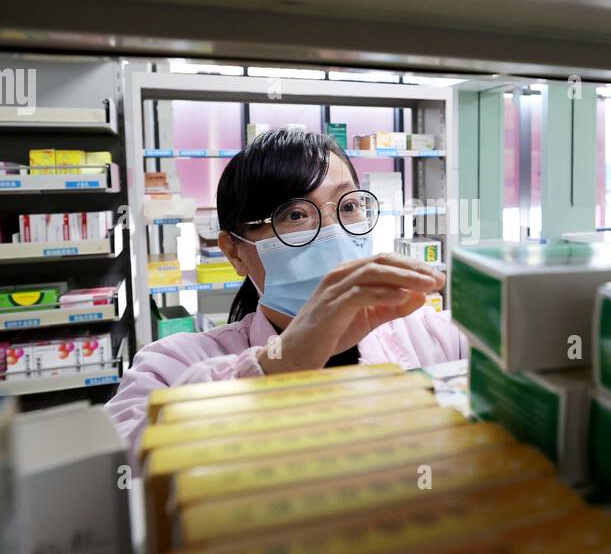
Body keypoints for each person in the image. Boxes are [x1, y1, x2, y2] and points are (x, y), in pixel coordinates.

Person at [106, 128, 467, 452]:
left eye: (349, 206)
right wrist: (277, 365)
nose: (334, 232)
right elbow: (125, 471)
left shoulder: (430, 334)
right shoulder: (172, 365)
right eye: (295, 215)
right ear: (235, 251)